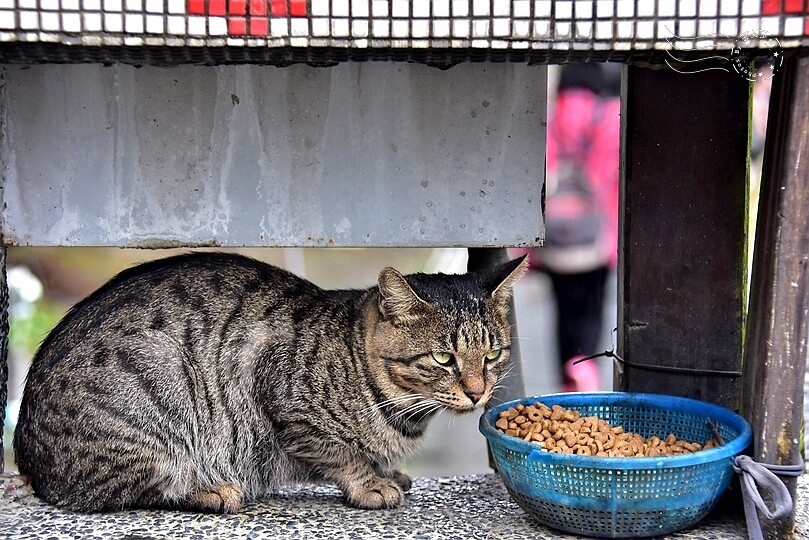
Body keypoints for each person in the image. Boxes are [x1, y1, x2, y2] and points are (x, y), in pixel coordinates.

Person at [522, 64, 620, 392]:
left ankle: (567, 382)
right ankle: (585, 369)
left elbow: (533, 181)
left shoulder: (546, 120)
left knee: (563, 314)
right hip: (594, 239)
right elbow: (612, 182)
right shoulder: (609, 118)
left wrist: (527, 249)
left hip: (555, 239)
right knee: (591, 311)